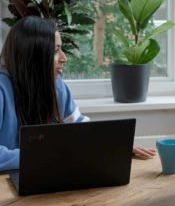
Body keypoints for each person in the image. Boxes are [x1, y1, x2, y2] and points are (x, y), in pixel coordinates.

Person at [0, 16, 155, 171]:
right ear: (34, 56)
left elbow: (81, 130)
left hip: (46, 174)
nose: (64, 58)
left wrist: (114, 145)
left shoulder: (57, 86)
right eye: (55, 51)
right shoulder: (2, 91)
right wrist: (46, 155)